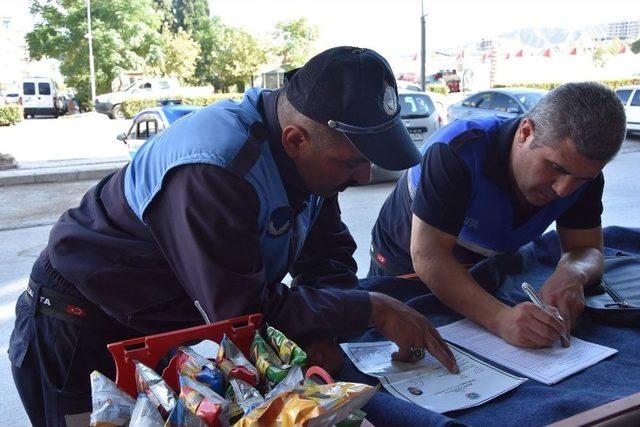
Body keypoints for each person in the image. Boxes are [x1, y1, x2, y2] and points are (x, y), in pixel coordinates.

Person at [9, 46, 458, 425]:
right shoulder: (216, 169)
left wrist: (331, 331)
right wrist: (369, 306)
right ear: (295, 139)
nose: (363, 176)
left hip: (168, 328)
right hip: (80, 331)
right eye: (351, 162)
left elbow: (326, 257)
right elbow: (239, 313)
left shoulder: (315, 165)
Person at [369, 82, 627, 349]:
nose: (564, 190)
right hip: (404, 264)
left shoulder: (584, 177)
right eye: (554, 167)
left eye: (582, 179)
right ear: (525, 133)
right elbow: (429, 256)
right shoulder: (458, 151)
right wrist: (500, 319)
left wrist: (572, 272)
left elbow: (587, 249)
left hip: (485, 266)